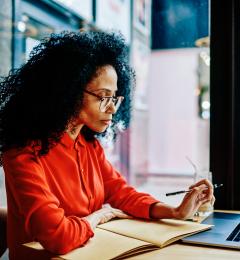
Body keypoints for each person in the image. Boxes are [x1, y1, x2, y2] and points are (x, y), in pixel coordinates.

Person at [0, 31, 214, 259]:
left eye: (114, 98)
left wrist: (176, 211)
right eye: (103, 97)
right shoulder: (23, 152)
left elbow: (122, 194)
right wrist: (97, 217)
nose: (112, 108)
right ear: (67, 92)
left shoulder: (88, 145)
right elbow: (57, 235)